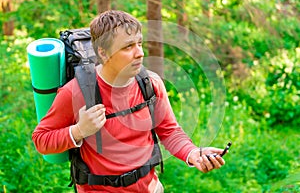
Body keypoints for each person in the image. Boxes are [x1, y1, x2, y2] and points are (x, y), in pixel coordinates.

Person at [32, 10, 226, 193]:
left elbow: (169, 131)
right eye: (128, 47)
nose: (139, 53)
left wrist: (192, 153)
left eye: (139, 44)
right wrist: (79, 130)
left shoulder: (150, 84)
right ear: (103, 53)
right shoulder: (75, 93)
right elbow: (41, 140)